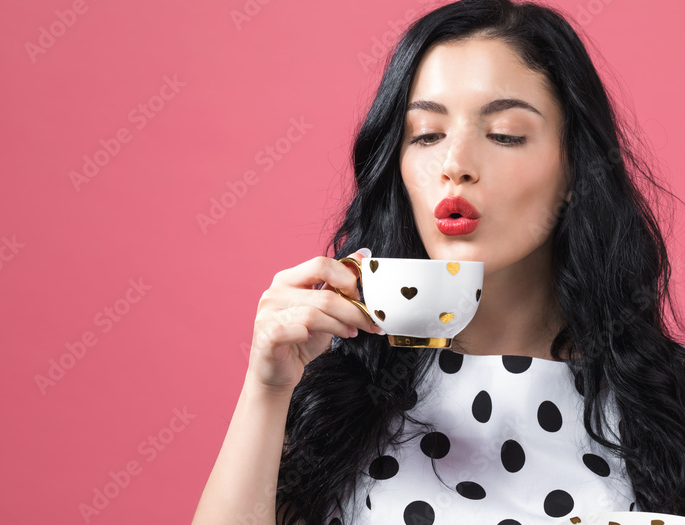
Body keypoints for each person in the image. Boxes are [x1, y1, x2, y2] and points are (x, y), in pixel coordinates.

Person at [191, 0, 685, 523]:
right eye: (425, 135)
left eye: (505, 135)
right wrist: (266, 390)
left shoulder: (665, 401)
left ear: (574, 172)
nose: (455, 165)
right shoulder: (332, 392)